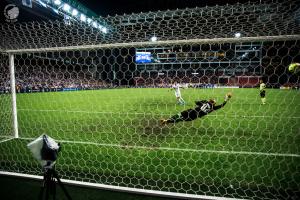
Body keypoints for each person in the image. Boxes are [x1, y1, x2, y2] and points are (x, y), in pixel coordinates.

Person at [161, 93, 232, 125]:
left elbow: (196, 102)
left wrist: (201, 102)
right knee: (181, 119)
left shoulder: (205, 101)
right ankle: (168, 121)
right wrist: (226, 99)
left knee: (179, 114)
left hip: (192, 111)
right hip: (195, 116)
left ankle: (167, 120)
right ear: (214, 104)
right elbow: (222, 106)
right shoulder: (213, 108)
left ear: (210, 101)